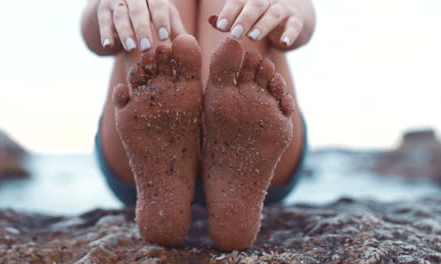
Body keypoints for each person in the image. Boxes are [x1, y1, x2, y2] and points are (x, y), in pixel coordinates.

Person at [81, 0, 315, 250]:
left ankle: (174, 148)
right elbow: (95, 35)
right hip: (270, 173)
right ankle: (229, 145)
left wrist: (287, 11)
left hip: (128, 169)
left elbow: (302, 18)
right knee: (142, 5)